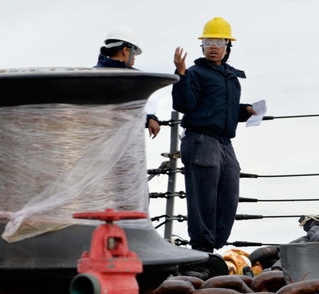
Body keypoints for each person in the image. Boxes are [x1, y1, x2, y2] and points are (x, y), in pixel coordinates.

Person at [172, 16, 256, 259]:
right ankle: (202, 250)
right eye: (208, 41)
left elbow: (219, 108)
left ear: (228, 46)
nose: (213, 46)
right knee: (203, 199)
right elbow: (184, 104)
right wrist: (181, 75)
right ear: (202, 46)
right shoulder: (195, 73)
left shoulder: (231, 77)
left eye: (218, 41)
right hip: (201, 140)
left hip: (225, 143)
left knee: (229, 195)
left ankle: (213, 246)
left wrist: (245, 110)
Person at [94, 26, 161, 138]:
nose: (134, 58)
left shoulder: (93, 75)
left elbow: (136, 107)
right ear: (126, 51)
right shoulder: (134, 77)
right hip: (106, 139)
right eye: (134, 53)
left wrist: (150, 118)